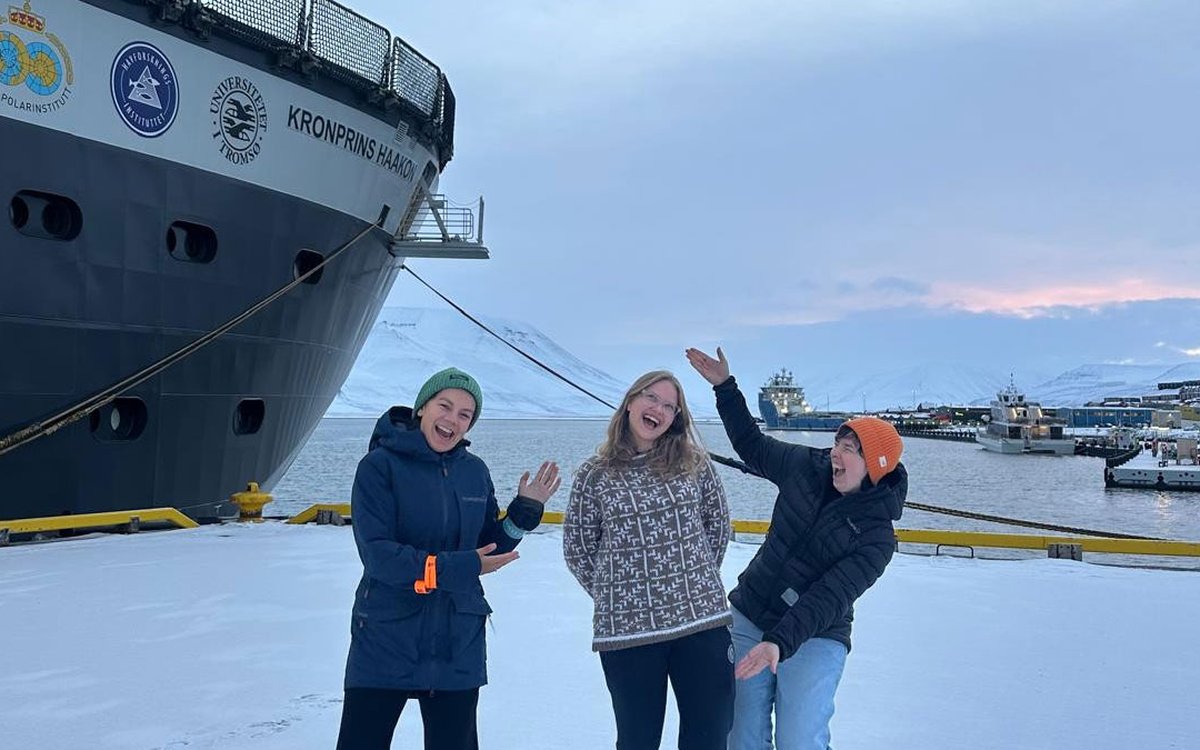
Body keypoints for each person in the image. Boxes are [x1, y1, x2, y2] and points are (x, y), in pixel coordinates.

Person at [685, 347, 907, 750]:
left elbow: (829, 596)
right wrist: (725, 387)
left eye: (850, 450)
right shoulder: (806, 466)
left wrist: (780, 642)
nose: (836, 454)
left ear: (874, 468)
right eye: (838, 443)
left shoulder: (877, 538)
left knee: (800, 739)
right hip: (752, 612)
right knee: (741, 734)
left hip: (816, 634)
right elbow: (752, 445)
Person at [336, 367, 561, 750]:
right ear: (422, 408)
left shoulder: (474, 472)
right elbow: (379, 557)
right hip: (386, 638)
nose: (453, 419)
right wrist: (461, 567)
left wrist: (523, 514)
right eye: (446, 405)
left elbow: (488, 547)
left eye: (465, 414)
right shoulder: (379, 467)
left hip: (457, 641)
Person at [563, 370, 734, 750]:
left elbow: (718, 527)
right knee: (637, 739)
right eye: (651, 398)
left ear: (677, 419)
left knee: (710, 735)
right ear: (630, 402)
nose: (658, 409)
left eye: (670, 406)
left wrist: (691, 578)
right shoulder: (596, 475)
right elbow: (577, 548)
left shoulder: (695, 463)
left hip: (701, 623)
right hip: (628, 632)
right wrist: (620, 594)